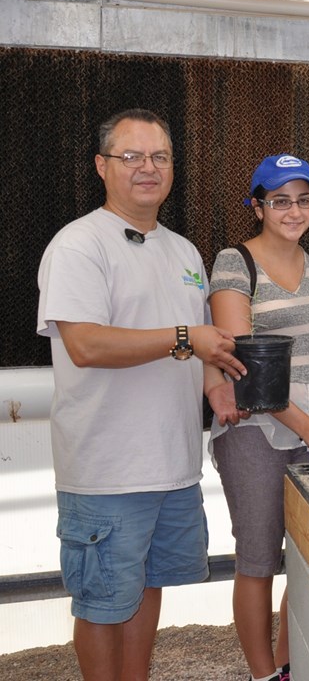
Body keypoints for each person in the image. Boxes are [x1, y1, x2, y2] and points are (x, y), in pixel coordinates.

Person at [36, 108, 246, 681]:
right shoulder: (79, 245)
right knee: (103, 603)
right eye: (131, 157)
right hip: (107, 469)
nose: (147, 168)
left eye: (159, 157)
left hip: (171, 463)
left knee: (147, 587)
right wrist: (185, 338)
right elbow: (86, 344)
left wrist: (215, 386)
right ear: (102, 167)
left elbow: (200, 346)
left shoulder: (180, 250)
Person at [208, 154, 309, 681]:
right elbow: (240, 361)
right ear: (258, 206)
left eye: (304, 199)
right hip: (256, 430)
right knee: (258, 559)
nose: (294, 211)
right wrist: (307, 427)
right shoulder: (233, 263)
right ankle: (263, 673)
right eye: (280, 200)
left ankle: (293, 664)